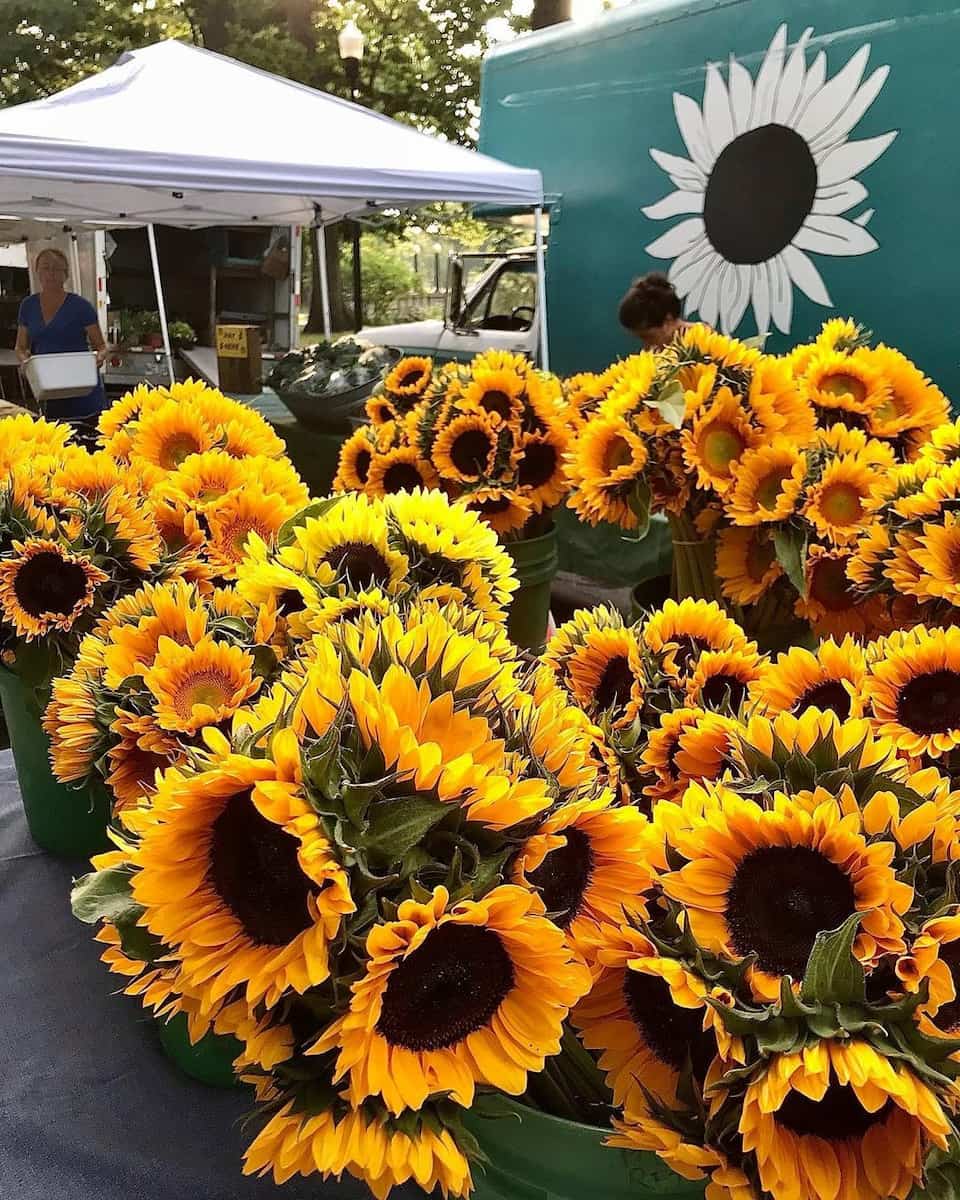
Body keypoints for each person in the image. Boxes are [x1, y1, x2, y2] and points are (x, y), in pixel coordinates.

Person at [15, 247, 108, 440]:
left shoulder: (81, 306)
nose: (51, 273)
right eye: (45, 268)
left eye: (57, 269)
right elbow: (21, 347)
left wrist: (98, 359)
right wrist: (25, 363)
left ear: (65, 275)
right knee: (56, 445)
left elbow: (101, 347)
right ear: (37, 271)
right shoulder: (28, 306)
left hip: (83, 393)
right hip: (50, 392)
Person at [618, 272, 691, 348]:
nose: (646, 346)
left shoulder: (699, 340)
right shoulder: (655, 352)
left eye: (648, 336)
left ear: (668, 320)